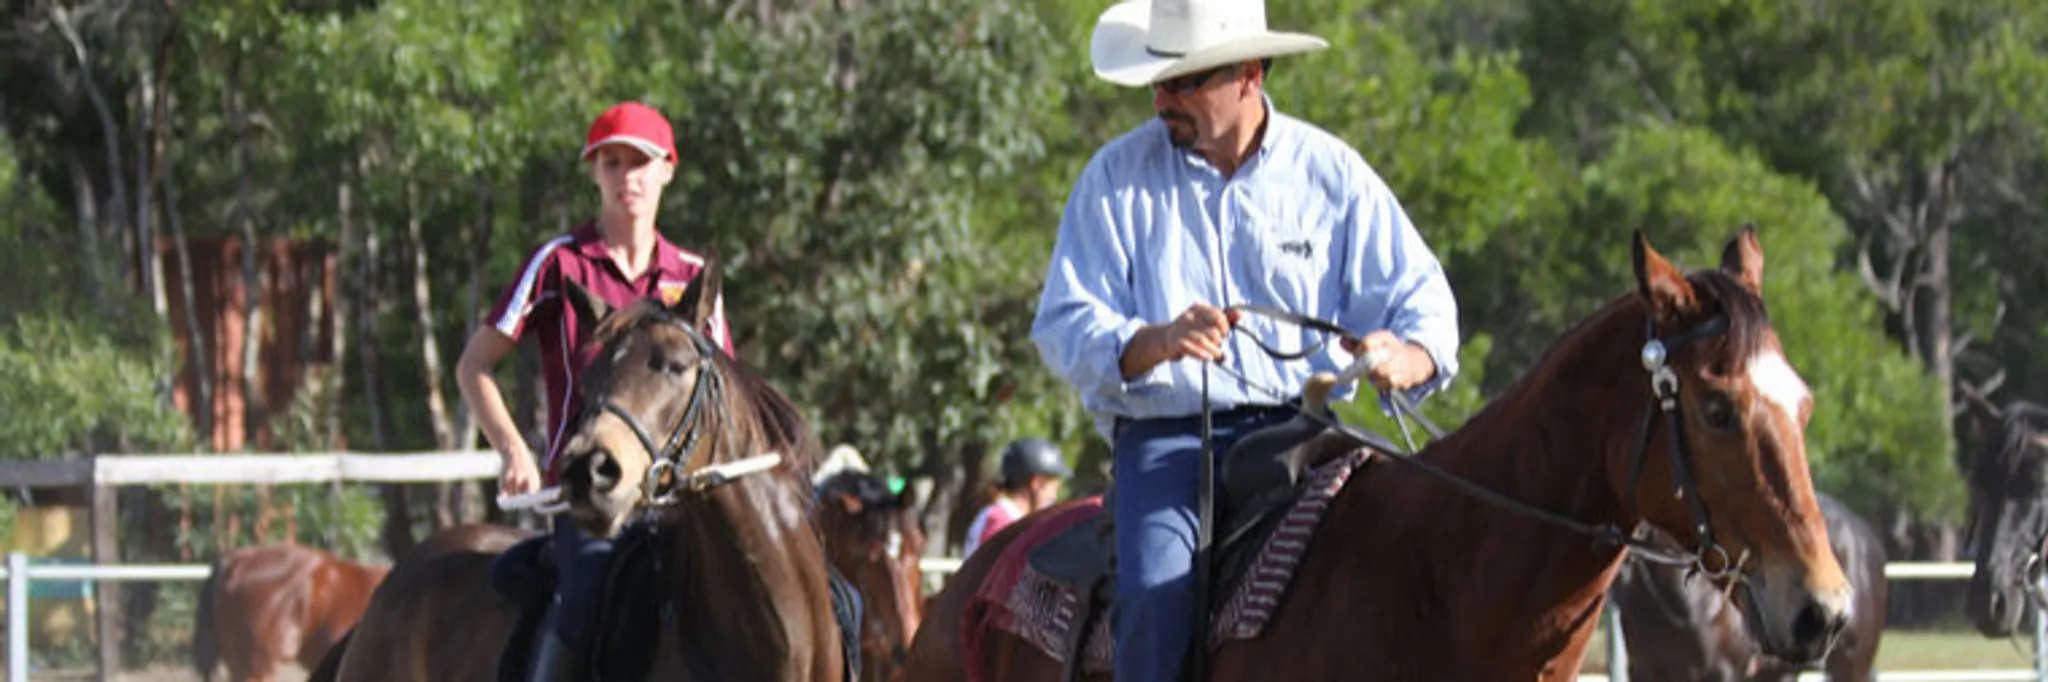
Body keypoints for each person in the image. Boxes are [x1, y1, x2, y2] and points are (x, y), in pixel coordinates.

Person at [1027, 1, 1462, 680]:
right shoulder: (1114, 179)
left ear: (1250, 75)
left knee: (1412, 552)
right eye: (1160, 82)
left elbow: (1422, 299)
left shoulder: (1331, 174)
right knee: (1155, 597)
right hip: (1169, 442)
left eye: (1186, 82)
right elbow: (1062, 325)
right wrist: (1156, 339)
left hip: (1307, 433)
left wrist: (1407, 356)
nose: (1163, 99)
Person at [456, 100, 732, 682]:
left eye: (641, 162)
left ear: (668, 170)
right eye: (612, 163)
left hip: (680, 504)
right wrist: (513, 451)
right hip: (592, 502)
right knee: (584, 610)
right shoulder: (559, 264)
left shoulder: (692, 276)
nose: (627, 176)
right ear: (594, 173)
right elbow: (474, 366)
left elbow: (724, 397)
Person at [962, 437, 1073, 558]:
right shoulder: (1002, 523)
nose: (1054, 497)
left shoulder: (1008, 518)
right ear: (1036, 483)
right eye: (1053, 489)